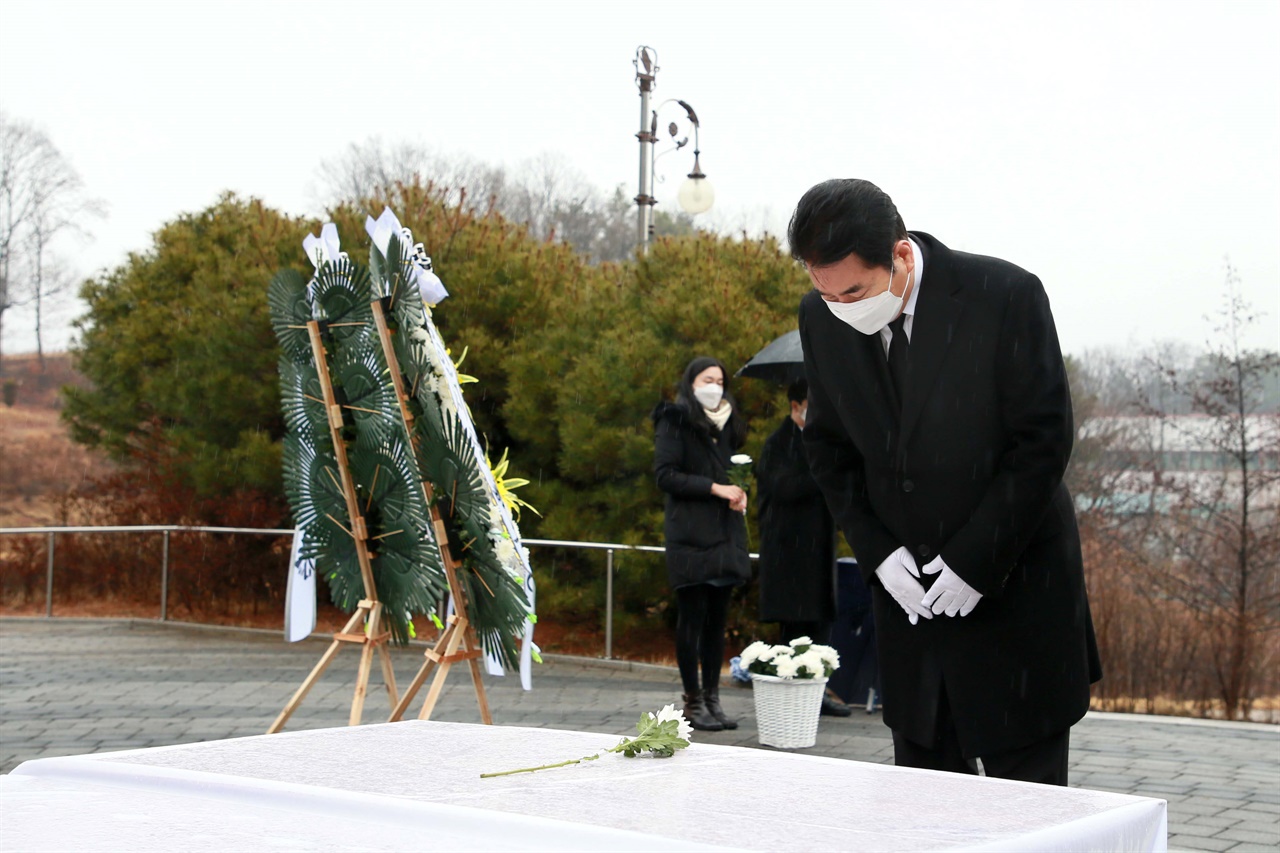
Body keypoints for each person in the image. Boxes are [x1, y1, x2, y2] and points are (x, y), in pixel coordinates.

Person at [790, 178, 1101, 786]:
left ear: (901, 255)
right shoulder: (822, 318)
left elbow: (1042, 441)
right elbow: (828, 451)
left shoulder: (1003, 295)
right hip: (911, 611)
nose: (841, 308)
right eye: (824, 293)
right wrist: (877, 555)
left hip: (1014, 590)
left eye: (854, 291)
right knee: (924, 807)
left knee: (1026, 811)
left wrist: (975, 560)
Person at [652, 356, 751, 731]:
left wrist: (738, 491)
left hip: (724, 534)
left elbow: (727, 473)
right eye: (707, 379)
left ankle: (712, 697)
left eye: (721, 380)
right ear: (691, 383)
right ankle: (692, 701)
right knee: (692, 618)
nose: (715, 386)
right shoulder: (674, 419)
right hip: (690, 536)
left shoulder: (727, 426)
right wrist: (714, 488)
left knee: (716, 622)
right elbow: (666, 475)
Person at [755, 377, 852, 716]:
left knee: (821, 624)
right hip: (789, 553)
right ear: (796, 407)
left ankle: (817, 692)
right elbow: (783, 487)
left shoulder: (823, 442)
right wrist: (819, 471)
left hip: (821, 550)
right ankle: (789, 692)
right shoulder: (778, 443)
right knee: (795, 628)